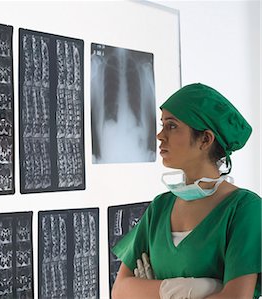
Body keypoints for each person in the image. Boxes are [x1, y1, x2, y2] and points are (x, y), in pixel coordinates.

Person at [111, 83, 261, 299]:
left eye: (172, 126)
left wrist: (150, 291)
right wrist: (181, 290)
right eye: (163, 125)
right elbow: (120, 291)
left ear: (205, 139)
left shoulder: (244, 209)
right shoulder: (160, 207)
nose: (160, 136)